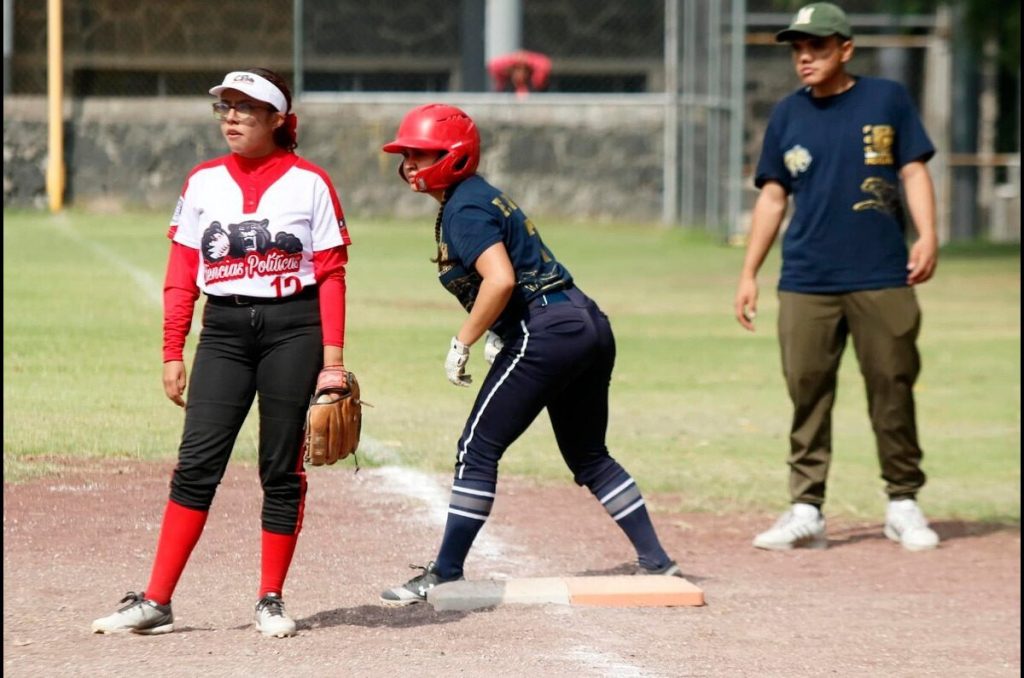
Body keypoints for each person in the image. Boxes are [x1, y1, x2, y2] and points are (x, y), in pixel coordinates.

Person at [377, 103, 681, 606]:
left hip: (548, 329)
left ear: (452, 156)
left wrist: (464, 341)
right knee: (588, 454)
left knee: (476, 448)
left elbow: (501, 278)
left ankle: (446, 571)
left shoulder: (464, 208)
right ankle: (657, 559)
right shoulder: (478, 197)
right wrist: (504, 326)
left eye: (420, 152)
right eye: (406, 153)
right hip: (585, 321)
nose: (409, 163)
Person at [91, 68, 352, 636]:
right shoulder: (203, 180)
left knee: (279, 468)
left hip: (294, 328)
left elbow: (331, 275)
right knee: (197, 463)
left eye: (246, 108)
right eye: (225, 107)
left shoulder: (311, 183)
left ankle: (270, 598)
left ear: (278, 120)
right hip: (225, 331)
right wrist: (171, 349)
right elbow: (182, 272)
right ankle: (157, 600)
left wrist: (333, 364)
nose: (231, 117)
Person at [734, 2, 940, 552]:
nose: (805, 58)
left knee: (892, 387)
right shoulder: (787, 114)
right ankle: (806, 508)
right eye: (799, 49)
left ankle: (903, 502)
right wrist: (750, 271)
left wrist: (927, 234)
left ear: (845, 49)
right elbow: (773, 196)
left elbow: (914, 169)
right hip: (806, 278)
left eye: (817, 47)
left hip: (880, 273)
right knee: (807, 391)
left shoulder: (887, 98)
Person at [487, 50, 551, 99]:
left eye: (523, 70)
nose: (520, 73)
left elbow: (544, 65)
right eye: (516, 70)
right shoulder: (506, 85)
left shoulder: (534, 84)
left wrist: (527, 58)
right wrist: (514, 59)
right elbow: (492, 66)